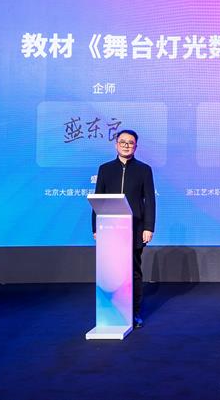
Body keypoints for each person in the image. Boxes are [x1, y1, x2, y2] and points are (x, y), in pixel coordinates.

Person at [92, 129, 156, 329]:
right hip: (109, 229)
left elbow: (150, 201)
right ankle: (111, 311)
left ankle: (134, 312)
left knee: (133, 271)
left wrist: (148, 227)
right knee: (111, 271)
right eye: (123, 142)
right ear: (116, 145)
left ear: (135, 146)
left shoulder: (144, 170)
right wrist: (95, 227)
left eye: (130, 143)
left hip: (135, 229)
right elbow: (98, 199)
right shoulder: (105, 169)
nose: (126, 145)